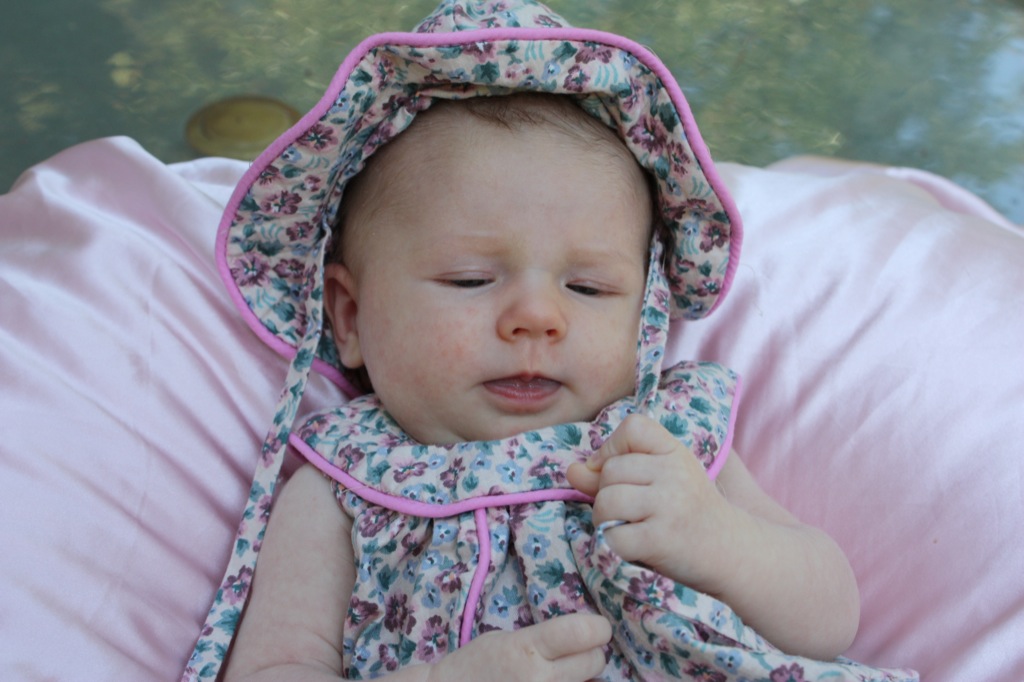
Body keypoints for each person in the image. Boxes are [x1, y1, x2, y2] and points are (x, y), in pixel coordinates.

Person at [184, 2, 917, 681]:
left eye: (589, 288)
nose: (537, 318)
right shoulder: (339, 485)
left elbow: (831, 619)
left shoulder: (656, 441)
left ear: (646, 312)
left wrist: (718, 538)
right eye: (470, 280)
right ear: (348, 316)